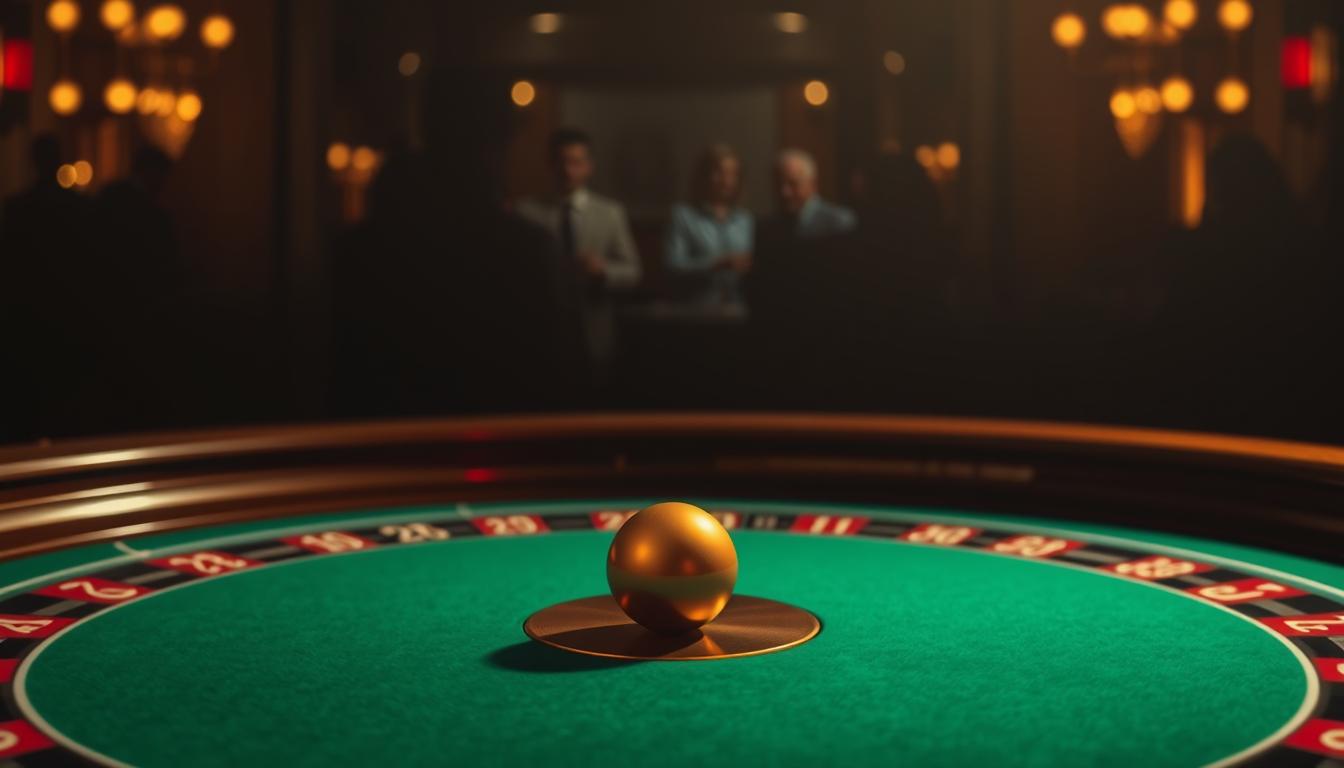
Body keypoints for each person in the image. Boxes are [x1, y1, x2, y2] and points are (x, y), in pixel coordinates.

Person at [330, 70, 587, 417]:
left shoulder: (363, 249)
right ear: (499, 143)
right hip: (507, 439)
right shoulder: (526, 249)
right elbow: (556, 380)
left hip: (391, 443)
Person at [517, 129, 641, 368]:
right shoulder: (527, 213)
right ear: (550, 164)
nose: (568, 170)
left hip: (594, 328)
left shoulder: (610, 213)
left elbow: (633, 270)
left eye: (576, 162)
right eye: (562, 162)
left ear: (589, 166)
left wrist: (603, 270)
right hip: (542, 328)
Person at [663, 143, 754, 307]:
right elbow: (673, 266)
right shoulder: (683, 216)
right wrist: (716, 264)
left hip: (738, 311)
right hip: (696, 312)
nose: (726, 181)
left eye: (732, 174)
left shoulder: (745, 221)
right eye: (719, 172)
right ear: (703, 175)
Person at [768, 148, 856, 239]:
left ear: (813, 184)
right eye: (778, 184)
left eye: (793, 184)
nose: (785, 192)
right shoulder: (770, 228)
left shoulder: (837, 222)